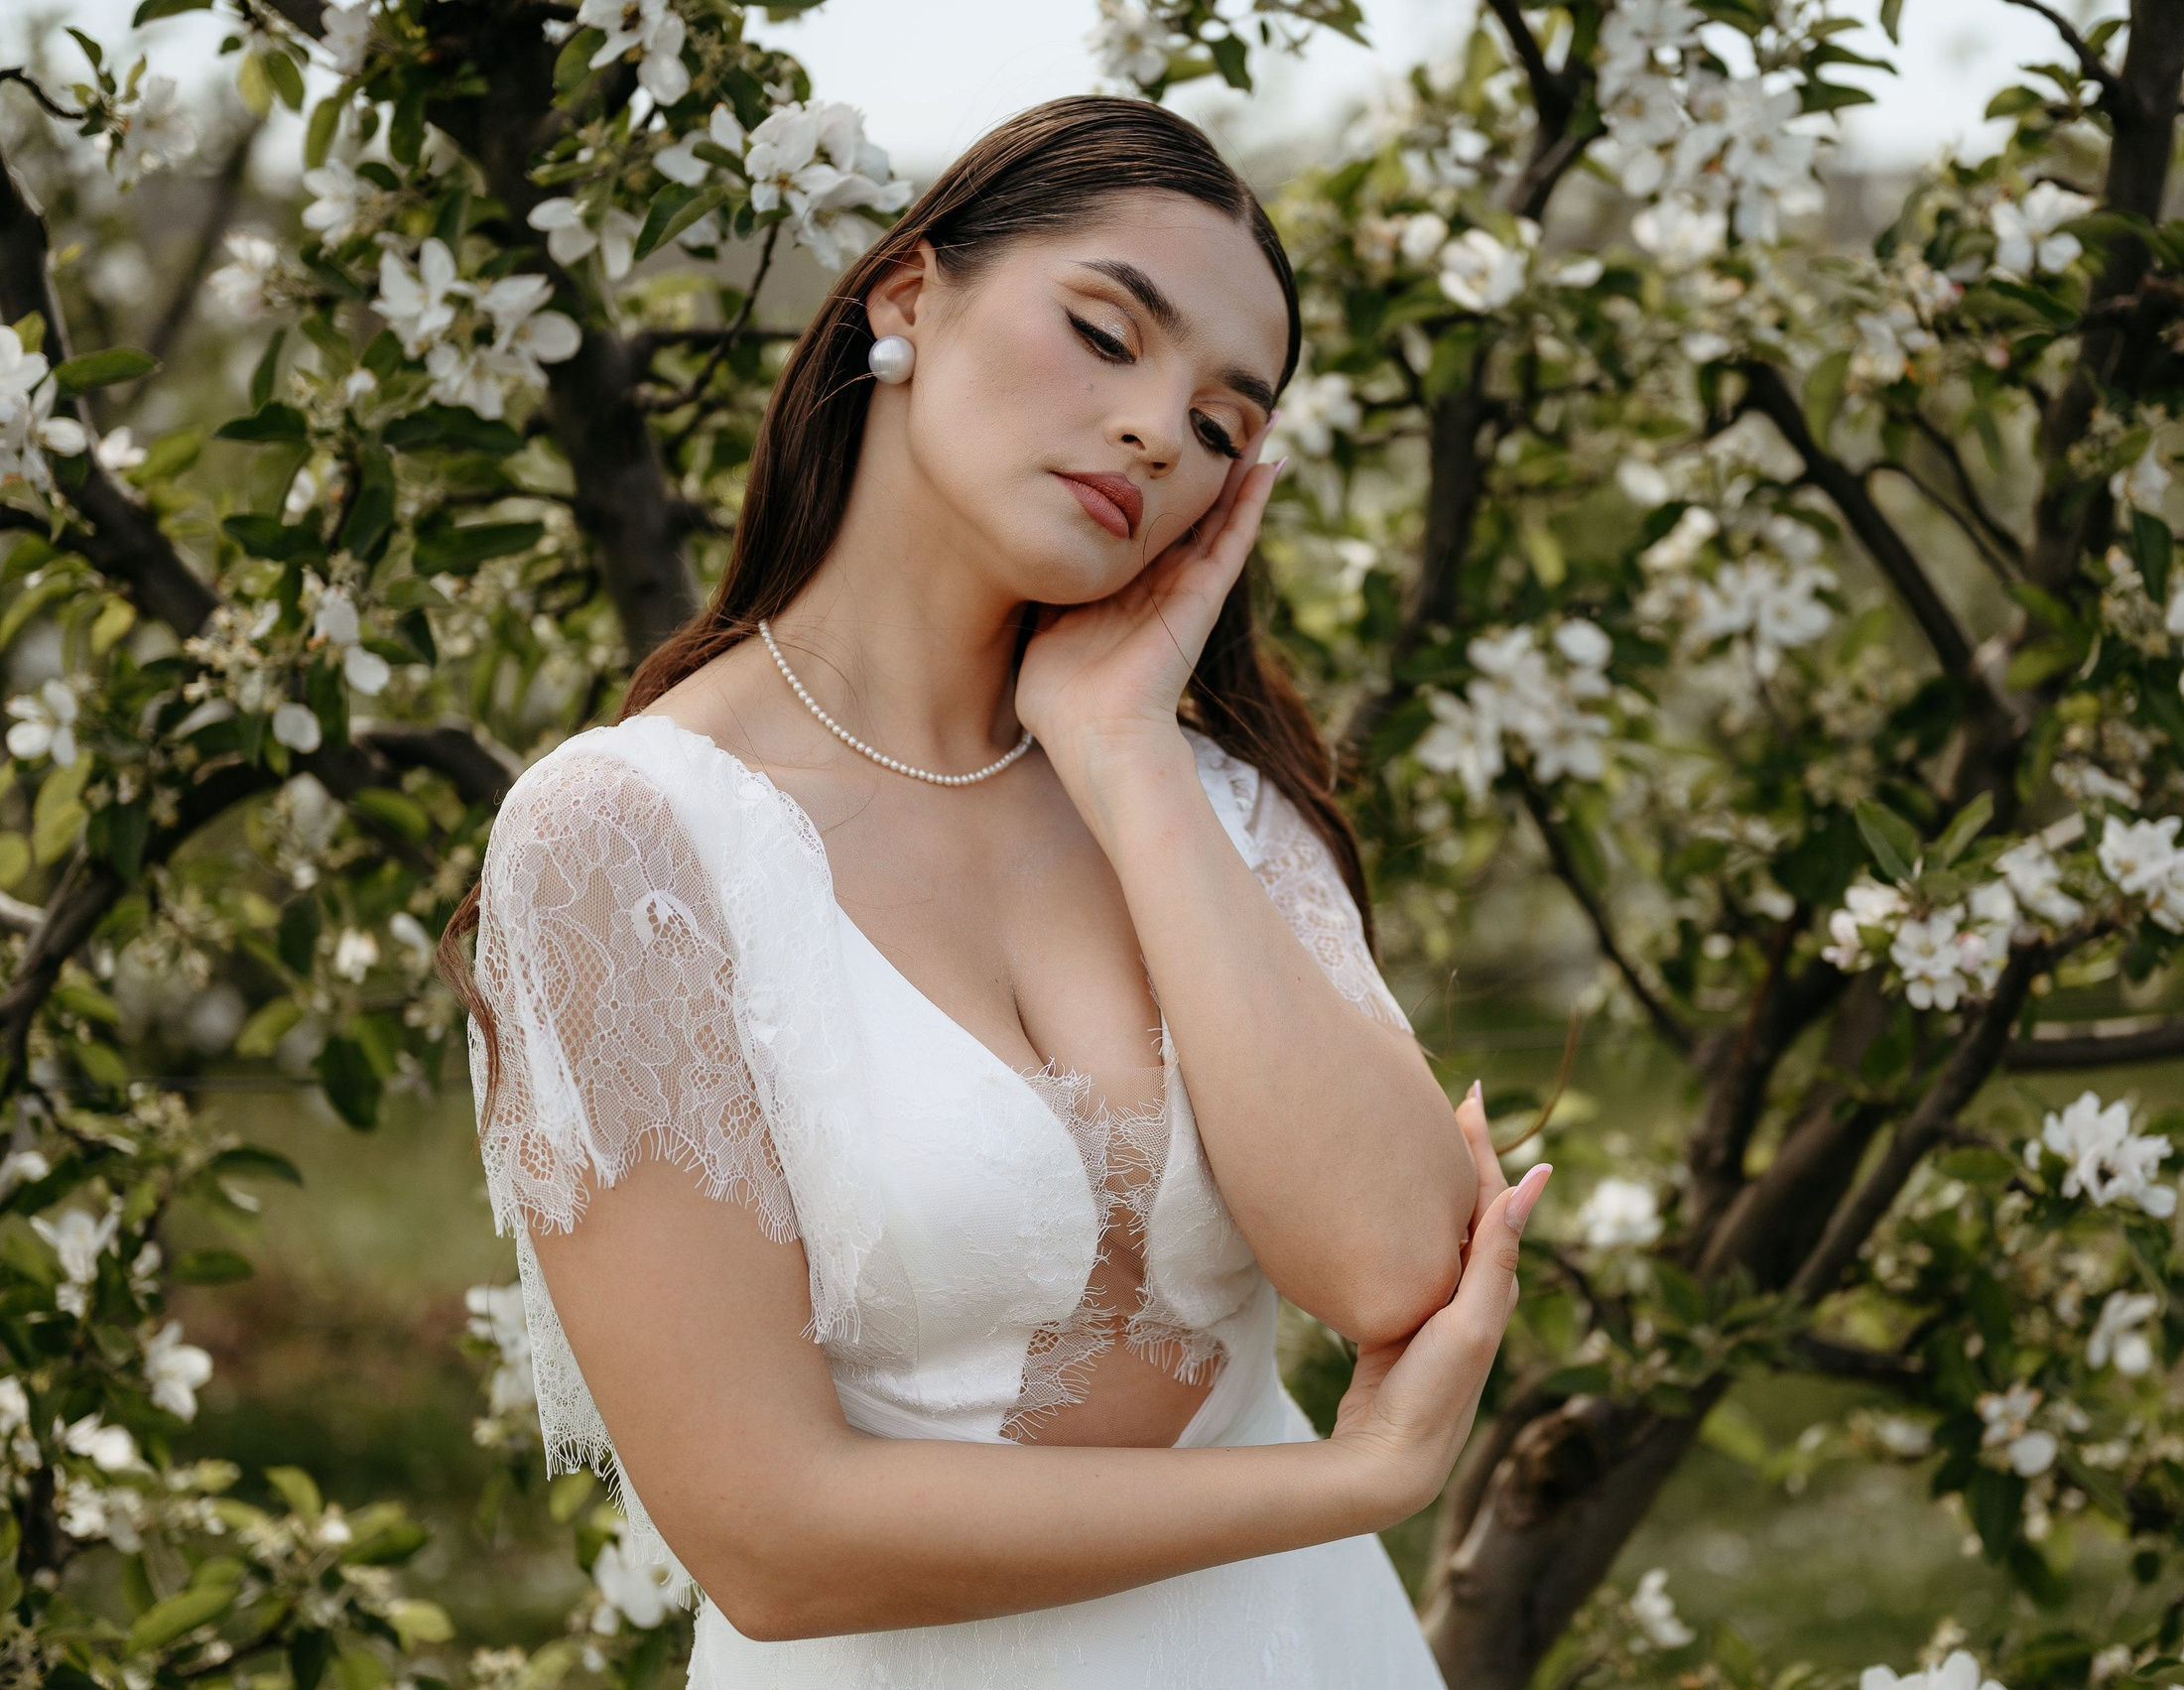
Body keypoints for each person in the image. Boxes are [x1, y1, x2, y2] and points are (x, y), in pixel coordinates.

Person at [435, 94, 1553, 1687]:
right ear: (908, 300)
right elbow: (767, 1534)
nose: (1163, 429)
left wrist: (1122, 753)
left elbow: (1391, 1269)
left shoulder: (1208, 802)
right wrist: (1347, 1483)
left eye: (1226, 425)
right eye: (1107, 333)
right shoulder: (628, 838)